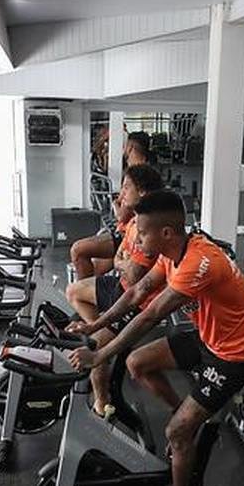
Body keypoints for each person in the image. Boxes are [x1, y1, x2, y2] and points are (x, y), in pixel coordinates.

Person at [67, 191, 244, 486]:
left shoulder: (198, 264)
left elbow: (150, 315)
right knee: (137, 363)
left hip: (234, 357)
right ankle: (185, 424)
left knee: (175, 432)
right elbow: (137, 291)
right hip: (208, 340)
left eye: (142, 233)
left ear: (167, 233)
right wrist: (95, 325)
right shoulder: (172, 253)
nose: (137, 240)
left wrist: (100, 355)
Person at [65, 164, 164, 414]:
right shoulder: (133, 221)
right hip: (121, 286)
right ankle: (105, 332)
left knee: (95, 347)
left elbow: (133, 273)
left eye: (127, 187)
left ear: (142, 193)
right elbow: (120, 259)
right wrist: (122, 263)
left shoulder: (148, 227)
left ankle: (102, 403)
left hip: (137, 301)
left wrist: (122, 263)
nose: (121, 193)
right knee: (74, 291)